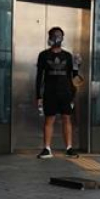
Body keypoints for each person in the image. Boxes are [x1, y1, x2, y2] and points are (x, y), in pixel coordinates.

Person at [36, 27, 79, 159]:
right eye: (54, 35)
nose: (57, 38)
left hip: (65, 93)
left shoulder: (67, 56)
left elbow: (74, 77)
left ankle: (69, 148)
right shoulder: (43, 55)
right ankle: (47, 149)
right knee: (49, 119)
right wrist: (38, 95)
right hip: (49, 92)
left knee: (67, 119)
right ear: (49, 37)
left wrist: (77, 65)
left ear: (63, 37)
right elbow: (39, 77)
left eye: (59, 35)